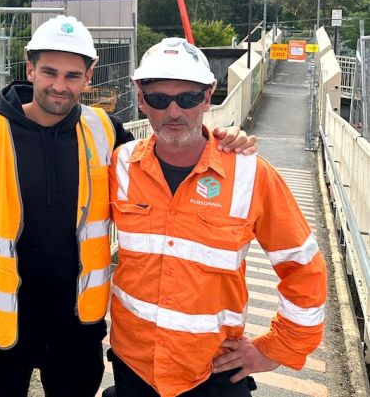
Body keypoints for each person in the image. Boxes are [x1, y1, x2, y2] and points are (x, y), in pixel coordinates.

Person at [0, 17, 254, 397]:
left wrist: (218, 139)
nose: (60, 86)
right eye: (49, 72)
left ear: (88, 77)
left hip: (77, 328)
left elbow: (165, 152)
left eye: (73, 76)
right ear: (30, 70)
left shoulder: (105, 131)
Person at [106, 38, 327, 397]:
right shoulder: (121, 165)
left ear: (209, 97)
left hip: (212, 371)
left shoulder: (251, 174)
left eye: (188, 98)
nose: (174, 112)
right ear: (141, 98)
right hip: (134, 366)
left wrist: (279, 347)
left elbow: (302, 264)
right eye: (160, 99)